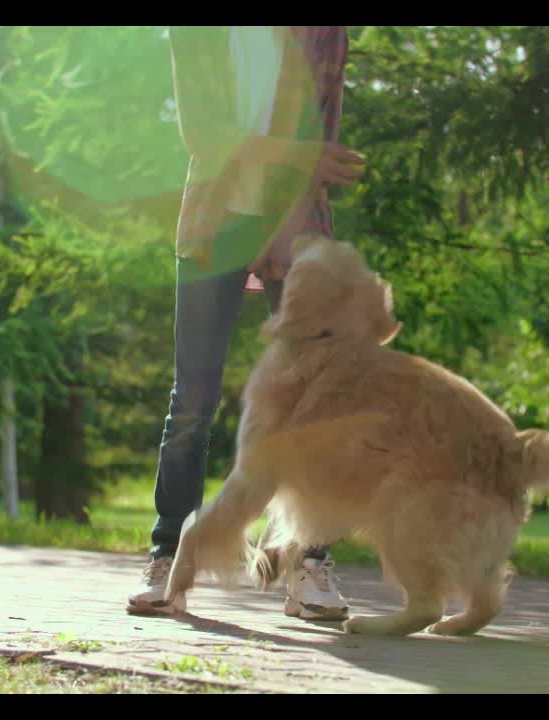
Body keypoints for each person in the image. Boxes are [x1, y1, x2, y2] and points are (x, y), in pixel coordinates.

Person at [127, 26, 366, 620]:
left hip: (297, 220)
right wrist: (299, 154)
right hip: (215, 223)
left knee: (315, 399)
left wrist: (287, 213)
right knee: (194, 399)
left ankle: (309, 564)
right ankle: (169, 558)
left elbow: (324, 137)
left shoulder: (323, 32)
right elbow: (204, 139)